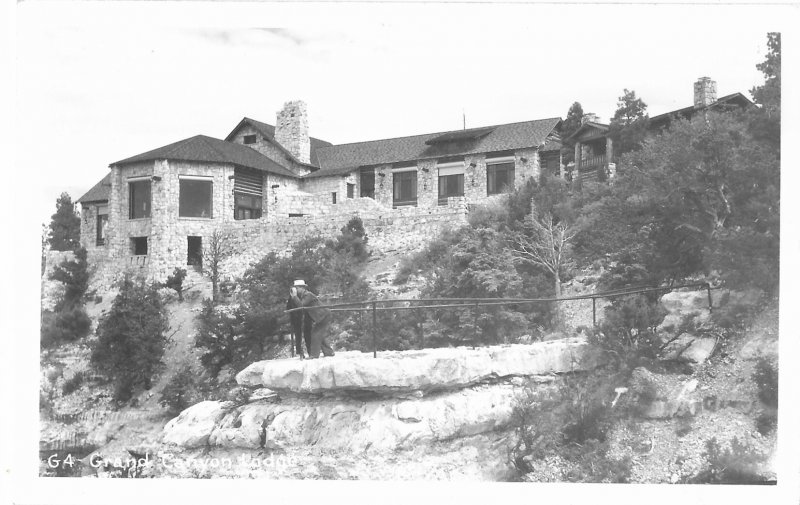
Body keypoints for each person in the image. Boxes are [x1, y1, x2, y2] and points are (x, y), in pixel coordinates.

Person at [288, 279, 335, 359]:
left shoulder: (308, 295)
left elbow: (301, 305)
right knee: (319, 334)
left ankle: (314, 355)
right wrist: (294, 297)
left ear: (302, 288)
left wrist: (295, 296)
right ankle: (329, 352)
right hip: (321, 317)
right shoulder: (304, 296)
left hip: (324, 316)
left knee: (315, 334)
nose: (296, 290)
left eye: (297, 288)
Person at [286, 294, 312, 359]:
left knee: (307, 335)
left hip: (305, 319)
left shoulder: (304, 295)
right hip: (297, 320)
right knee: (299, 336)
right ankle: (301, 352)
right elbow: (288, 308)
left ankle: (309, 352)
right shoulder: (292, 298)